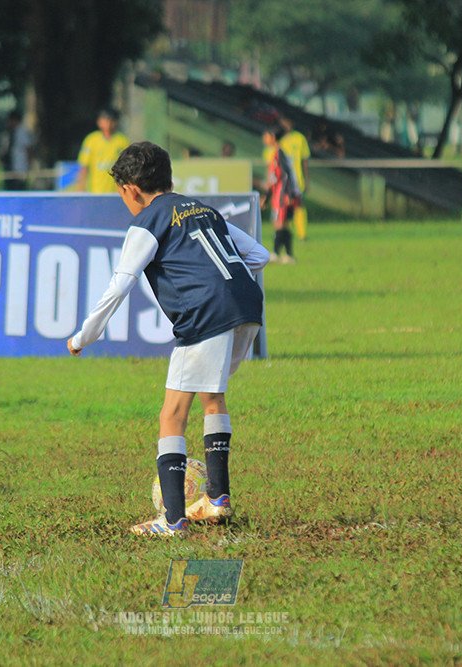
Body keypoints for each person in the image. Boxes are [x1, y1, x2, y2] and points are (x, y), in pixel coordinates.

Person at [67, 142, 270, 536]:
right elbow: (258, 255)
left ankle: (173, 519)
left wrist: (83, 336)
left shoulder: (147, 222)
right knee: (212, 396)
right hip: (247, 306)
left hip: (205, 314)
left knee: (171, 415)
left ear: (130, 189)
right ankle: (217, 499)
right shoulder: (204, 210)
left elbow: (120, 284)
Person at [262, 126, 300, 263]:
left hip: (282, 194)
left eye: (266, 136)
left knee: (280, 224)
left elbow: (286, 175)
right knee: (282, 224)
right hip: (279, 193)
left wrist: (288, 194)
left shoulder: (280, 154)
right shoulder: (275, 154)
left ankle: (277, 253)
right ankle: (288, 255)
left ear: (273, 137)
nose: (264, 139)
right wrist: (266, 198)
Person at [77, 107, 130, 193]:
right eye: (105, 120)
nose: (108, 124)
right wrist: (81, 187)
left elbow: (127, 168)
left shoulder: (122, 141)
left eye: (111, 120)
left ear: (116, 122)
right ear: (99, 122)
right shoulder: (91, 140)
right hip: (95, 192)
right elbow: (84, 166)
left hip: (116, 192)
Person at [279, 116, 311, 240]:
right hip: (282, 180)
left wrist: (306, 180)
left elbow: (304, 160)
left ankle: (302, 234)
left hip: (296, 179)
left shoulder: (299, 138)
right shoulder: (279, 139)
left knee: (299, 205)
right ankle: (283, 231)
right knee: (283, 206)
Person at [3, 110, 35, 191]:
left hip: (20, 168)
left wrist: (29, 164)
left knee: (19, 190)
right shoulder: (11, 132)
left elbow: (29, 148)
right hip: (12, 168)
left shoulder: (22, 132)